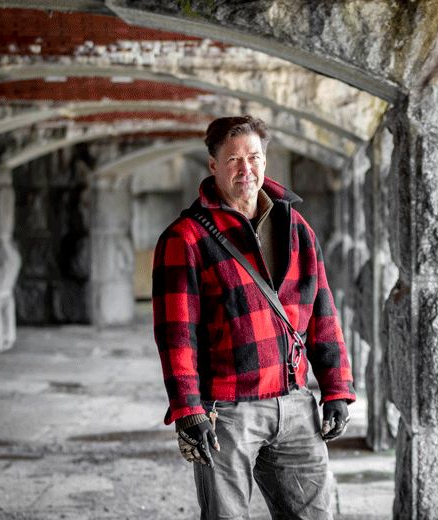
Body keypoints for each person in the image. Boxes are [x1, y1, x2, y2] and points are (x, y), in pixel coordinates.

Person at [152, 115, 355, 519]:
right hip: (226, 411)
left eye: (254, 157)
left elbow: (322, 312)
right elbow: (176, 336)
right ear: (212, 164)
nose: (246, 169)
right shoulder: (185, 238)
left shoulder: (296, 227)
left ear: (266, 159)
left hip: (296, 404)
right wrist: (188, 410)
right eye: (233, 160)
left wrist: (337, 388)